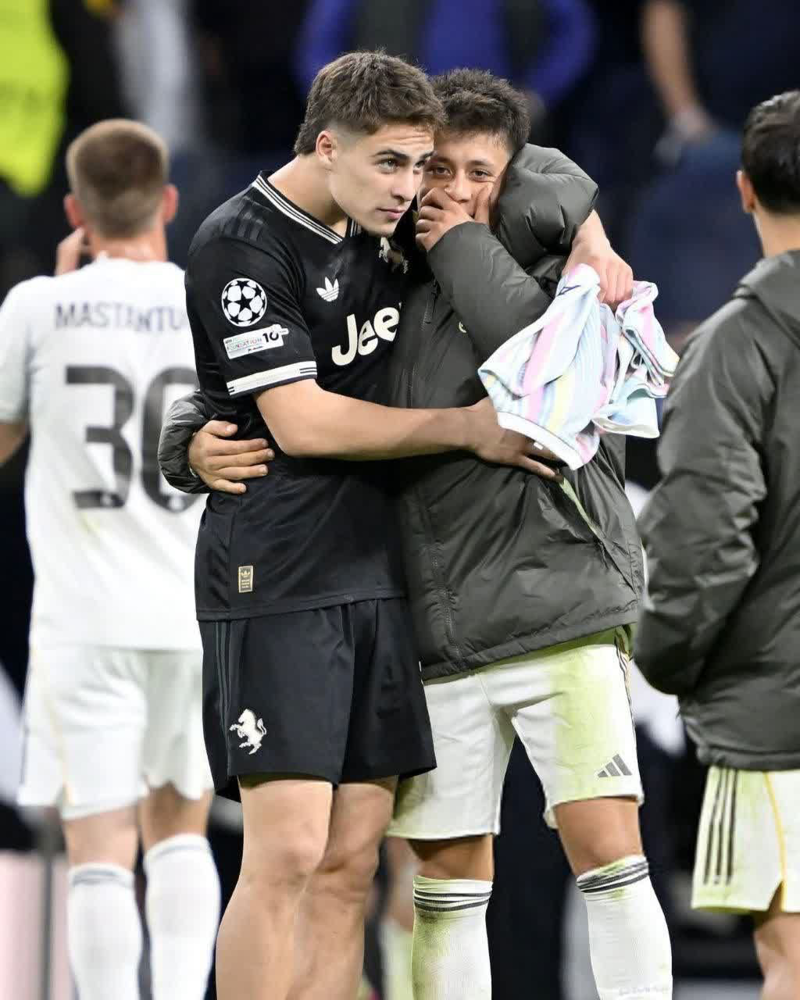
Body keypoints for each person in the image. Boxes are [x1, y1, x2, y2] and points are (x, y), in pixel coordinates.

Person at [162, 68, 672, 1000]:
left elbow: (527, 172)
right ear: (335, 148)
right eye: (403, 165)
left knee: (358, 861)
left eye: (431, 167)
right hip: (313, 583)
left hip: (429, 583)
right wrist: (189, 441)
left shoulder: (439, 236)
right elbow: (295, 407)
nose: (420, 188)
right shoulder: (277, 239)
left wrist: (592, 236)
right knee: (301, 854)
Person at [0, 120, 221, 999]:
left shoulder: (35, 308)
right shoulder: (208, 301)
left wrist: (57, 316)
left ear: (74, 212)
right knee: (181, 835)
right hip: (191, 612)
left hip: (82, 619)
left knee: (98, 850)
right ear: (166, 201)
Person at [634, 90, 800, 1000]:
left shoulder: (733, 348)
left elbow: (704, 542)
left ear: (743, 191)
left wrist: (662, 657)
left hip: (776, 714)